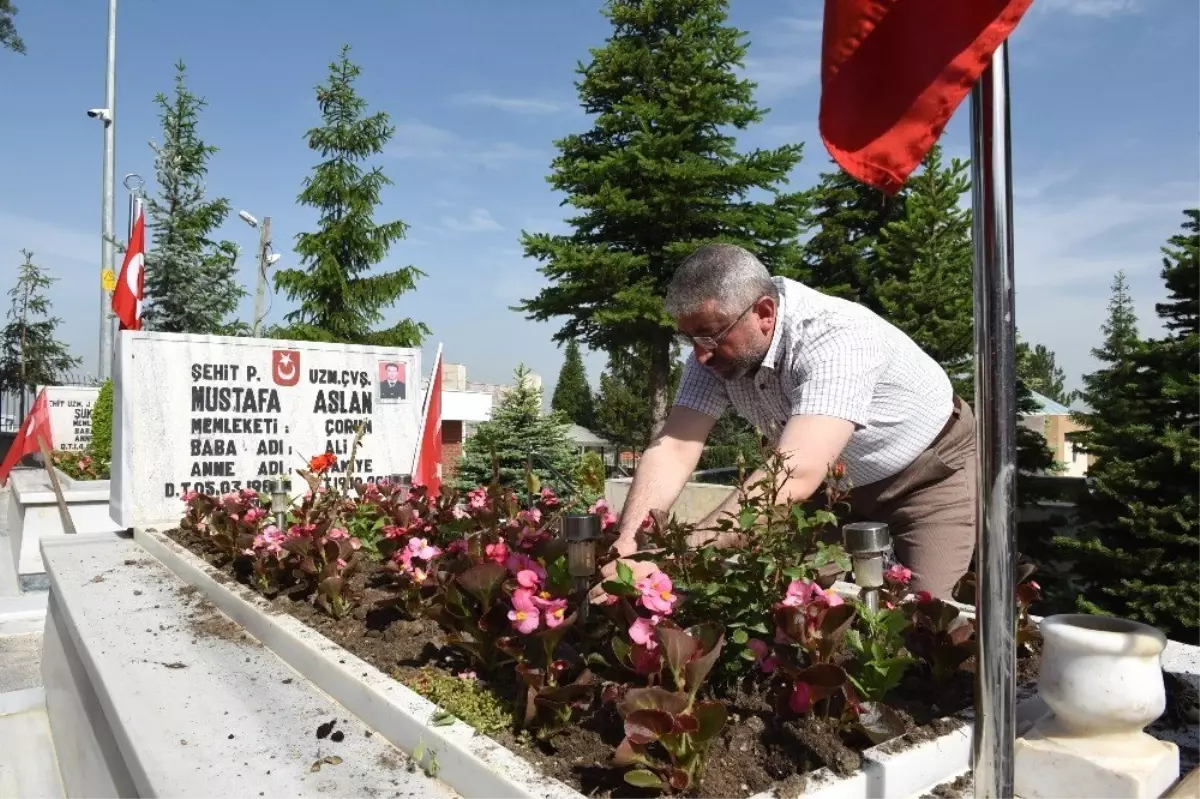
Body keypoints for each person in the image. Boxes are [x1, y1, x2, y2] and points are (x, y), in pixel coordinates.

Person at [610, 243, 976, 599]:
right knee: (796, 603)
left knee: (930, 619)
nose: (700, 355)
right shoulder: (714, 355)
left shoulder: (836, 335)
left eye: (710, 336)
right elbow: (674, 448)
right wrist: (631, 541)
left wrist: (675, 556)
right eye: (689, 338)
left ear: (765, 313)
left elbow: (796, 474)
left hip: (925, 476)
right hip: (831, 490)